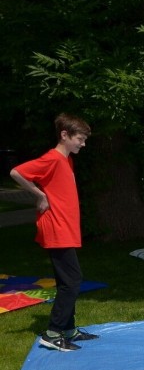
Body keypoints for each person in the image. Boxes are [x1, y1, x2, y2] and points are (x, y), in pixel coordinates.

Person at [9, 113, 98, 352]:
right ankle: (53, 332)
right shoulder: (52, 158)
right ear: (64, 135)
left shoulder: (66, 160)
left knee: (67, 281)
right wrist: (39, 195)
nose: (83, 143)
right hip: (57, 229)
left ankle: (67, 329)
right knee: (72, 281)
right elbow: (16, 172)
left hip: (65, 229)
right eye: (80, 138)